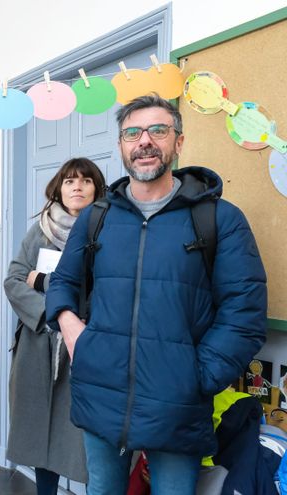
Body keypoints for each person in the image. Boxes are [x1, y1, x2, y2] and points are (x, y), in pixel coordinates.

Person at [46, 95, 268, 494]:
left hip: (177, 404)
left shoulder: (218, 218)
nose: (144, 141)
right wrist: (74, 333)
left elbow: (244, 312)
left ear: (178, 142)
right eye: (133, 132)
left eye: (158, 130)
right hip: (102, 392)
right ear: (121, 146)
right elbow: (62, 282)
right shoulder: (98, 218)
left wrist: (197, 376)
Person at [4, 158, 106, 494]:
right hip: (38, 346)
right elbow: (15, 280)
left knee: (84, 438)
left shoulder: (109, 228)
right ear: (58, 189)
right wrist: (54, 314)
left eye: (85, 181)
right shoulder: (41, 229)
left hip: (87, 344)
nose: (77, 187)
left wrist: (46, 282)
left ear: (97, 188)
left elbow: (105, 285)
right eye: (69, 181)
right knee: (40, 435)